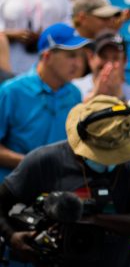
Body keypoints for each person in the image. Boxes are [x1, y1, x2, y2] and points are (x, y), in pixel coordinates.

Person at [0, 95, 130, 266]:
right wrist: (12, 236)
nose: (107, 161)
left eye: (114, 154)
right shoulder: (44, 160)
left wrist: (92, 219)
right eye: (100, 154)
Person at [0, 23, 89, 182]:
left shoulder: (74, 94)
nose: (78, 63)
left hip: (57, 192)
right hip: (12, 193)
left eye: (81, 56)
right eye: (71, 56)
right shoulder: (11, 91)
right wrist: (33, 163)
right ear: (47, 56)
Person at [73, 32, 130, 102]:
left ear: (124, 61)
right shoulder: (74, 89)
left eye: (115, 58)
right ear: (91, 58)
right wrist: (95, 95)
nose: (109, 65)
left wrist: (119, 95)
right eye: (103, 56)